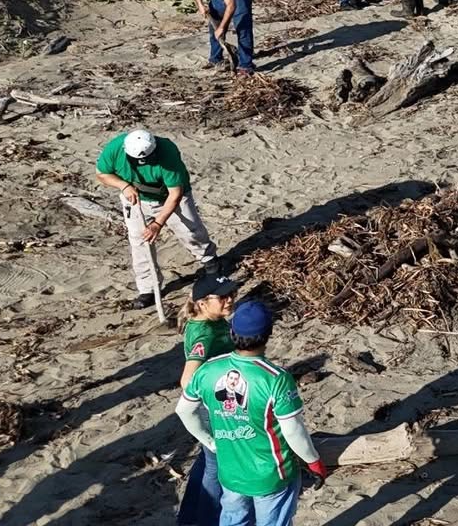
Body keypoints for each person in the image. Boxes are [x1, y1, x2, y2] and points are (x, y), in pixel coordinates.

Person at [175, 299, 331, 526]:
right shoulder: (275, 378)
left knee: (233, 519)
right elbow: (293, 431)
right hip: (271, 474)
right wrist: (313, 462)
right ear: (268, 333)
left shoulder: (209, 370)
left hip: (230, 473)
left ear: (232, 332)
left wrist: (210, 442)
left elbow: (184, 410)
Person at [97, 127, 218, 311]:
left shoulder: (167, 153)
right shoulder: (115, 149)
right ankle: (148, 288)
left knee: (190, 231)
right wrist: (124, 185)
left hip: (169, 196)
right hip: (136, 196)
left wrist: (158, 223)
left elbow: (175, 194)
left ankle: (209, 261)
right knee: (139, 240)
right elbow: (102, 173)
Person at [177, 275, 238, 526]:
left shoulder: (211, 322)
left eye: (231, 293)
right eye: (222, 297)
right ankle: (206, 520)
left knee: (205, 462)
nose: (230, 299)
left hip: (212, 411)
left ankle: (189, 517)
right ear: (202, 303)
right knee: (216, 468)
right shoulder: (205, 334)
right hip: (214, 413)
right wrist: (217, 398)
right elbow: (187, 381)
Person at [187, 0, 255, 75]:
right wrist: (200, 5)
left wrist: (223, 28)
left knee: (243, 27)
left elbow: (231, 6)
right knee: (214, 27)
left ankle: (246, 65)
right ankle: (215, 58)